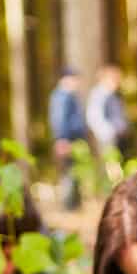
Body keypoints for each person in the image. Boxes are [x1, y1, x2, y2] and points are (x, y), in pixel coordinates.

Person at [48, 67, 87, 211]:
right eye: (74, 79)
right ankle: (68, 205)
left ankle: (74, 204)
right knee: (68, 173)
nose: (76, 83)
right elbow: (59, 120)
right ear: (65, 79)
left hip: (74, 140)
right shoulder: (61, 97)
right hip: (67, 140)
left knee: (74, 172)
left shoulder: (69, 96)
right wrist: (61, 139)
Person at [85, 64, 131, 158]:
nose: (118, 82)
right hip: (108, 138)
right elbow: (94, 117)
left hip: (118, 136)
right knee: (111, 164)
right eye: (115, 79)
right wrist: (109, 132)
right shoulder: (99, 95)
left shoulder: (113, 94)